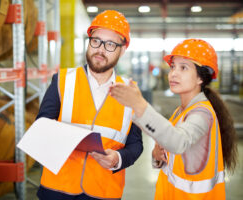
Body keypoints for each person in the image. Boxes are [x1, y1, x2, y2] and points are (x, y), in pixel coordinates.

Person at [109, 38, 238, 199]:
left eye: (183, 68)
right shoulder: (181, 111)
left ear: (200, 78)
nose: (173, 73)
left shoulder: (203, 114)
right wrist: (157, 156)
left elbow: (178, 142)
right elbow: (172, 151)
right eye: (172, 67)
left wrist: (140, 105)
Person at [36, 10, 143, 200]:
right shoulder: (62, 81)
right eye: (96, 41)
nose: (100, 50)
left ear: (123, 49)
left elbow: (136, 145)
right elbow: (40, 129)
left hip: (103, 191)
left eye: (110, 44)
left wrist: (117, 159)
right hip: (57, 189)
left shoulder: (131, 92)